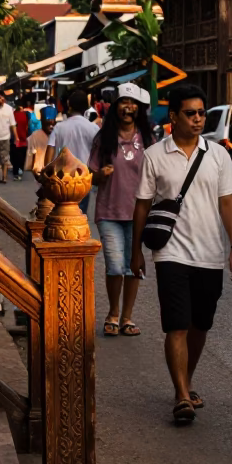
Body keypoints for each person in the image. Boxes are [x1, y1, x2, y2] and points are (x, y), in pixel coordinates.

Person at [131, 83, 232, 425]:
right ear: (174, 116)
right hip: (170, 253)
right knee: (176, 325)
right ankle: (181, 395)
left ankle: (187, 379)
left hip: (210, 253)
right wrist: (136, 250)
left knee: (200, 324)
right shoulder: (154, 155)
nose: (197, 119)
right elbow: (142, 205)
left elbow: (227, 202)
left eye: (201, 113)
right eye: (190, 113)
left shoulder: (218, 154)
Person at [89, 83, 152, 338]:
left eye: (133, 103)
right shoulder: (102, 138)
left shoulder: (148, 139)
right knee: (115, 266)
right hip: (109, 211)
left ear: (139, 108)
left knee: (133, 267)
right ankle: (113, 313)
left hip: (139, 212)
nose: (129, 107)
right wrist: (99, 175)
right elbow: (89, 175)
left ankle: (127, 316)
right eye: (124, 102)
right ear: (115, 107)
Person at [44, 88, 100, 214]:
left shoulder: (59, 127)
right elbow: (100, 154)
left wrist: (46, 175)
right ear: (86, 108)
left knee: (62, 215)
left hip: (61, 179)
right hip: (83, 179)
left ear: (69, 105)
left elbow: (49, 152)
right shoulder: (93, 128)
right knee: (80, 215)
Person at [25, 109, 56, 178]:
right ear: (42, 122)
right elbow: (31, 156)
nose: (51, 126)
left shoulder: (58, 134)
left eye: (52, 124)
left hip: (55, 172)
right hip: (40, 172)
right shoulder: (34, 136)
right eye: (48, 124)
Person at [12, 100, 32, 180]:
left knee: (15, 156)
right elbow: (28, 126)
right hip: (23, 138)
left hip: (15, 138)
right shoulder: (26, 114)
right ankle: (21, 169)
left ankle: (16, 171)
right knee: (22, 155)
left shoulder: (13, 115)